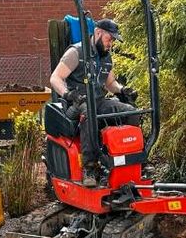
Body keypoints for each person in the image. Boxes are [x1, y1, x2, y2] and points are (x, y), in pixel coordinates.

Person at [49, 18, 138, 187]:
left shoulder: (106, 57)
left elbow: (109, 83)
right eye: (109, 39)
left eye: (112, 40)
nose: (110, 43)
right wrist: (68, 94)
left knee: (130, 112)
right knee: (89, 114)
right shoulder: (76, 52)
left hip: (98, 101)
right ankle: (89, 167)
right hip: (76, 103)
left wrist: (122, 90)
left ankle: (129, 161)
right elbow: (55, 78)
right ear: (98, 33)